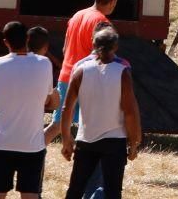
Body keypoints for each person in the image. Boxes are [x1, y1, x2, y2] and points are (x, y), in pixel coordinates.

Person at [61, 28, 142, 199]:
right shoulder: (122, 73)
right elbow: (130, 112)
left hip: (86, 139)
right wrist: (134, 142)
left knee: (75, 189)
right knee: (113, 191)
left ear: (93, 45)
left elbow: (66, 109)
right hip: (114, 141)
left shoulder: (80, 71)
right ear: (116, 47)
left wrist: (66, 139)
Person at [0, 21, 60, 199]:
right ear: (27, 39)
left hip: (1, 142)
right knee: (30, 195)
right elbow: (49, 100)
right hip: (32, 145)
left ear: (5, 42)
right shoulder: (44, 64)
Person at [52, 0, 118, 136]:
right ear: (113, 1)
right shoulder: (102, 22)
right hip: (87, 78)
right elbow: (105, 55)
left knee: (56, 125)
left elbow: (64, 49)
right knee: (91, 126)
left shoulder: (77, 15)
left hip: (66, 75)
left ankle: (36, 151)